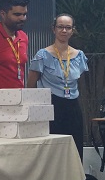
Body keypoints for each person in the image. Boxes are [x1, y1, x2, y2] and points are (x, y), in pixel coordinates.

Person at [27, 14, 89, 160]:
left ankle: (75, 175)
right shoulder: (43, 55)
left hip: (73, 105)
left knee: (75, 149)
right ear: (53, 29)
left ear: (73, 31)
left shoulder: (79, 55)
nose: (64, 30)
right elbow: (31, 85)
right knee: (52, 151)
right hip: (51, 105)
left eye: (68, 27)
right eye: (60, 27)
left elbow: (81, 84)